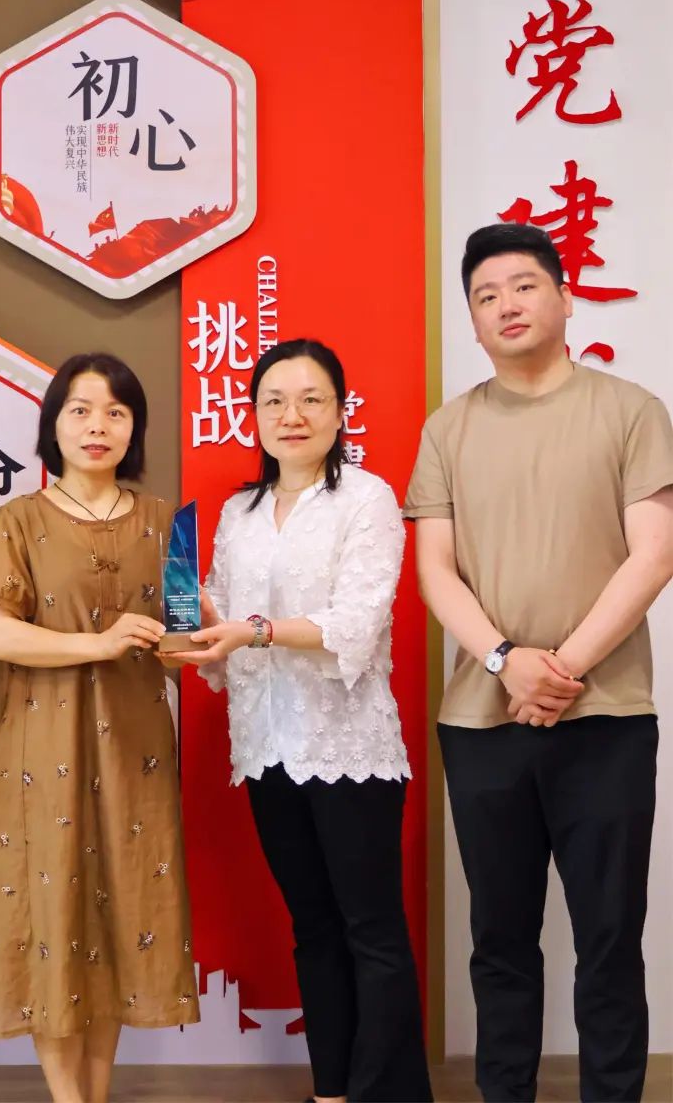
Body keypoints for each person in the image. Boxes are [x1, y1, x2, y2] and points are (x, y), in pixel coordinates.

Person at [405, 222, 673, 1103]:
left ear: (564, 296)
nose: (506, 305)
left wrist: (559, 671)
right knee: (500, 942)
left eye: (524, 286)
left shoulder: (630, 410)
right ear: (473, 322)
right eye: (486, 296)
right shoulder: (448, 429)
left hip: (608, 717)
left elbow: (655, 555)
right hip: (481, 722)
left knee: (610, 940)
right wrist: (504, 660)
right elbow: (435, 571)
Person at [174, 338, 432, 1103]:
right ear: (253, 416)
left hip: (348, 745)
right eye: (274, 401)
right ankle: (332, 1091)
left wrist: (251, 631)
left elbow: (355, 622)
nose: (292, 415)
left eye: (311, 399)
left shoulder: (368, 500)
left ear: (340, 412)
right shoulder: (239, 512)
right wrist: (181, 618)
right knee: (313, 928)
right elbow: (218, 625)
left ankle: (390, 1094)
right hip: (267, 748)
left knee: (371, 930)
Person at [0, 352, 200, 1103]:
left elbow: (182, 638)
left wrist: (207, 634)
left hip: (135, 745)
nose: (97, 426)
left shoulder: (168, 521)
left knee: (122, 911)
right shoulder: (18, 519)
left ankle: (95, 1097)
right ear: (54, 424)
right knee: (51, 911)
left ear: (134, 428)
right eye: (80, 410)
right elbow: (1, 636)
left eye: (115, 412)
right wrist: (98, 644)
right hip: (39, 746)